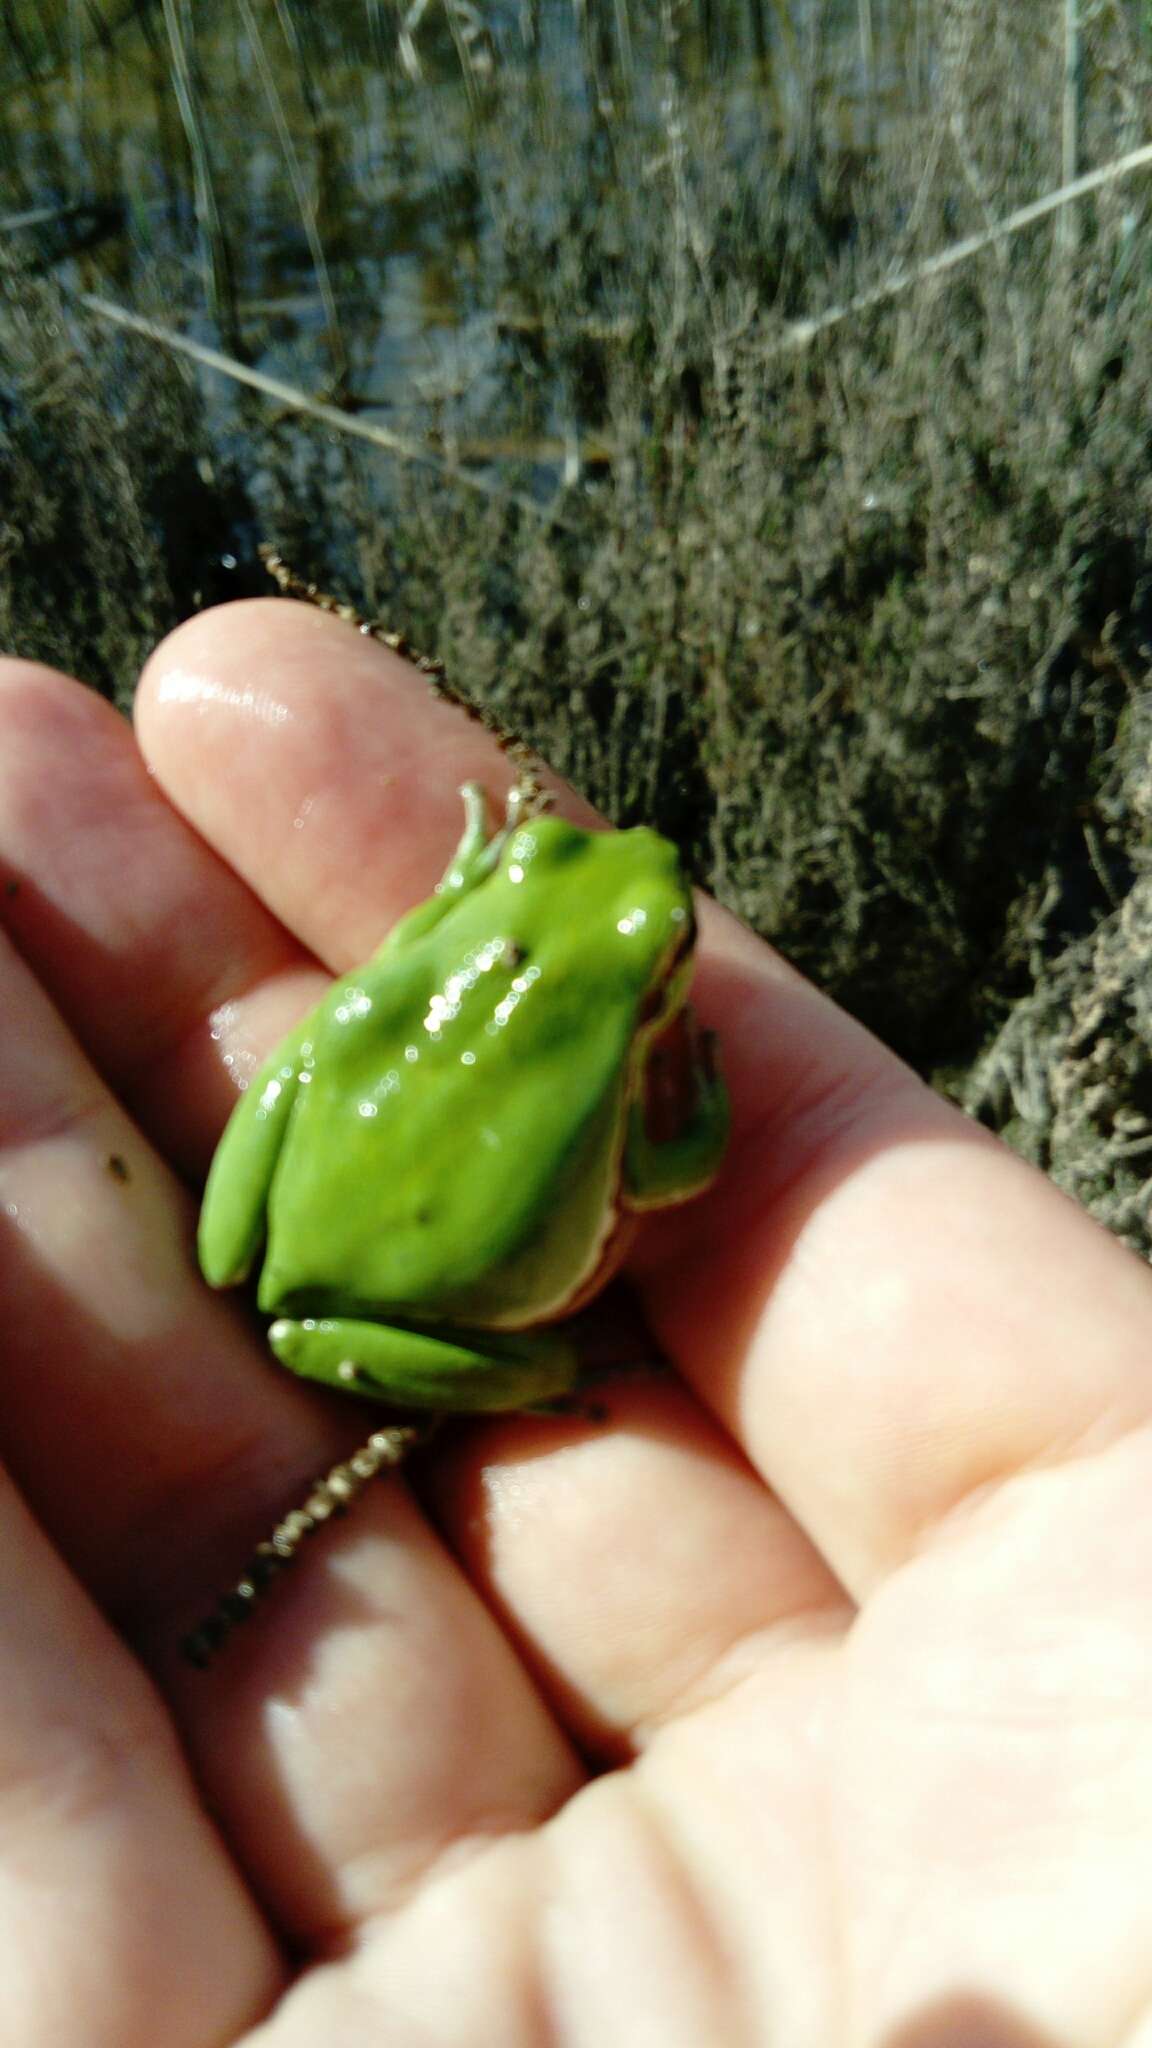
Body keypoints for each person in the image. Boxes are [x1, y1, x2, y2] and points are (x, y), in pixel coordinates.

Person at [0, 596, 1149, 2048]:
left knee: (322, 1084)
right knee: (448, 1265)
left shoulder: (465, 944)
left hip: (272, 1220)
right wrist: (694, 1091)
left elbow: (404, 1027)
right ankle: (533, 1364)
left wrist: (475, 897)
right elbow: (676, 1167)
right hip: (397, 1303)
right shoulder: (618, 1039)